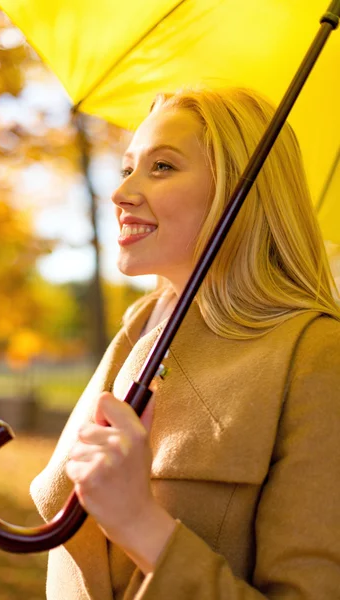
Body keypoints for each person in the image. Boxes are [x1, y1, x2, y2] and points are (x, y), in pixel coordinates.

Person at [31, 86, 340, 599]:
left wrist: (141, 525)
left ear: (242, 191)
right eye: (128, 167)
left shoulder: (315, 356)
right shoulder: (141, 327)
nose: (121, 192)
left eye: (163, 167)